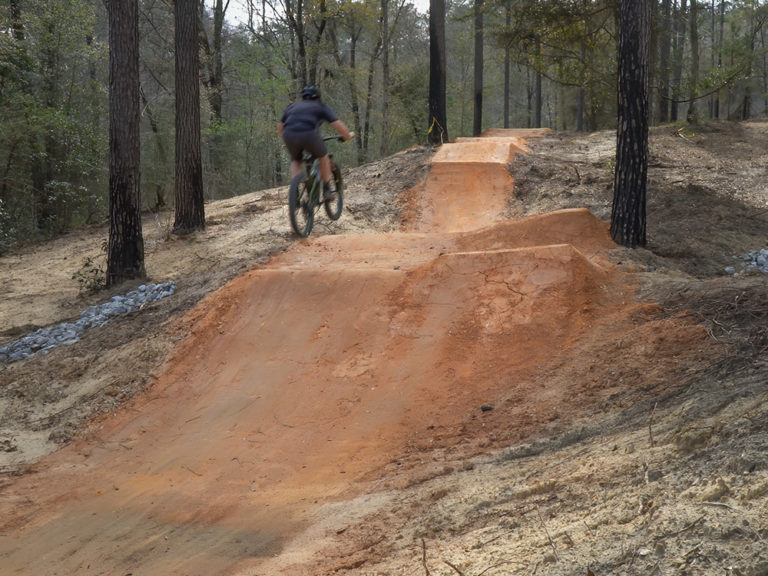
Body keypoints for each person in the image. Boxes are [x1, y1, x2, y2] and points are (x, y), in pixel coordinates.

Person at [278, 86, 355, 201]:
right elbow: (338, 125)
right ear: (318, 98)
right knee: (323, 157)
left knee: (296, 160)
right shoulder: (320, 107)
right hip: (309, 134)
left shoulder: (291, 107)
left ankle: (294, 193)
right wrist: (348, 136)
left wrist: (292, 139)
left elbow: (280, 129)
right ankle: (326, 190)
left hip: (289, 134)